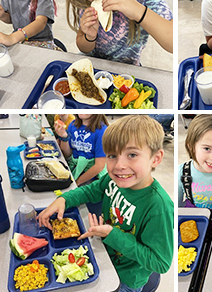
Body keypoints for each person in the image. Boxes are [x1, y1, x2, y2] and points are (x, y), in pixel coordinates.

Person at [38, 115, 173, 292]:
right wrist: (63, 199)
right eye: (112, 155)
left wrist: (112, 235)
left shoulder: (158, 206)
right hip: (101, 253)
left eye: (132, 155)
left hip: (126, 279)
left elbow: (160, 263)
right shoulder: (112, 179)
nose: (119, 165)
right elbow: (90, 190)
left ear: (155, 158)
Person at [54, 114, 108, 186]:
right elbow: (67, 155)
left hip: (91, 176)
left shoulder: (102, 131)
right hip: (74, 169)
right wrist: (64, 137)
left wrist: (77, 182)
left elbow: (99, 166)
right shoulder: (72, 125)